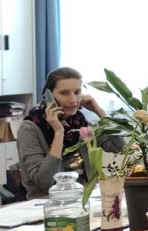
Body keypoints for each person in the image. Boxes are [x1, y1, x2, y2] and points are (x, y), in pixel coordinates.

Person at [17, 66, 124, 199]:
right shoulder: (30, 129)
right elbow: (45, 182)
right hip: (48, 202)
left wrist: (99, 111)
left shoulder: (81, 123)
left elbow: (120, 150)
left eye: (77, 92)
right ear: (49, 96)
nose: (73, 100)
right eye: (64, 93)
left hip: (86, 198)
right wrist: (59, 133)